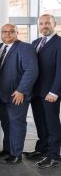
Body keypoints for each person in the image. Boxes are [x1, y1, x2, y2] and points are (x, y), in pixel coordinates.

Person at [0, 24, 38, 164]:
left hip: (16, 94)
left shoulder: (25, 48)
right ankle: (7, 149)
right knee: (6, 123)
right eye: (4, 31)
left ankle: (16, 154)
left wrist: (21, 91)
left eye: (11, 31)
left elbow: (31, 71)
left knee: (17, 123)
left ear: (17, 33)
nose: (7, 34)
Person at [24, 14, 61, 168]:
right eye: (41, 23)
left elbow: (60, 70)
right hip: (36, 91)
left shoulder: (59, 43)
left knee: (52, 124)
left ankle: (54, 156)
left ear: (54, 24)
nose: (44, 26)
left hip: (50, 92)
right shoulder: (35, 42)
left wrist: (55, 92)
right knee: (40, 122)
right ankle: (42, 149)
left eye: (47, 23)